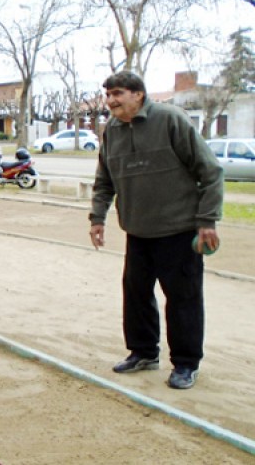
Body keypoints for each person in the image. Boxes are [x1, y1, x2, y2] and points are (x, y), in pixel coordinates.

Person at [88, 71, 223, 390]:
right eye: (108, 95)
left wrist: (207, 221)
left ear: (138, 94)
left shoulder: (170, 120)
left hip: (179, 231)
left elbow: (211, 172)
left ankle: (186, 363)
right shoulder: (112, 131)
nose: (111, 101)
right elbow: (104, 180)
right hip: (137, 232)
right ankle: (144, 353)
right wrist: (97, 218)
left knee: (183, 299)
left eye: (117, 93)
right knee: (136, 295)